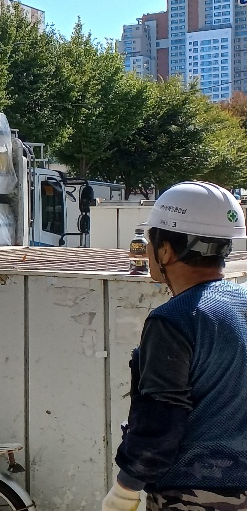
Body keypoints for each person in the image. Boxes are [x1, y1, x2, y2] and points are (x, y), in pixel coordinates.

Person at [105, 181, 247, 511]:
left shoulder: (173, 320)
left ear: (166, 251)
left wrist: (125, 491)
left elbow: (160, 418)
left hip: (196, 493)